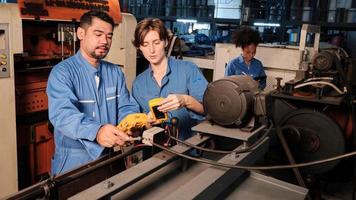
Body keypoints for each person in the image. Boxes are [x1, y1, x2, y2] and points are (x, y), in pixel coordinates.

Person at [46, 11, 140, 175]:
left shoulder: (115, 73)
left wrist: (130, 123)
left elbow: (126, 106)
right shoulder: (62, 73)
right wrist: (97, 131)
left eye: (109, 36)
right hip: (74, 163)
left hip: (110, 158)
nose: (105, 41)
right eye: (98, 34)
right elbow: (62, 113)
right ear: (81, 33)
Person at [131, 18, 208, 140]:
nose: (151, 50)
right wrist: (147, 123)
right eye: (145, 44)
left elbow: (207, 110)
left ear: (166, 42)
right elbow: (138, 125)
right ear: (139, 47)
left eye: (156, 42)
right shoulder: (138, 84)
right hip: (155, 153)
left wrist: (185, 100)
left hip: (188, 148)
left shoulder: (188, 70)